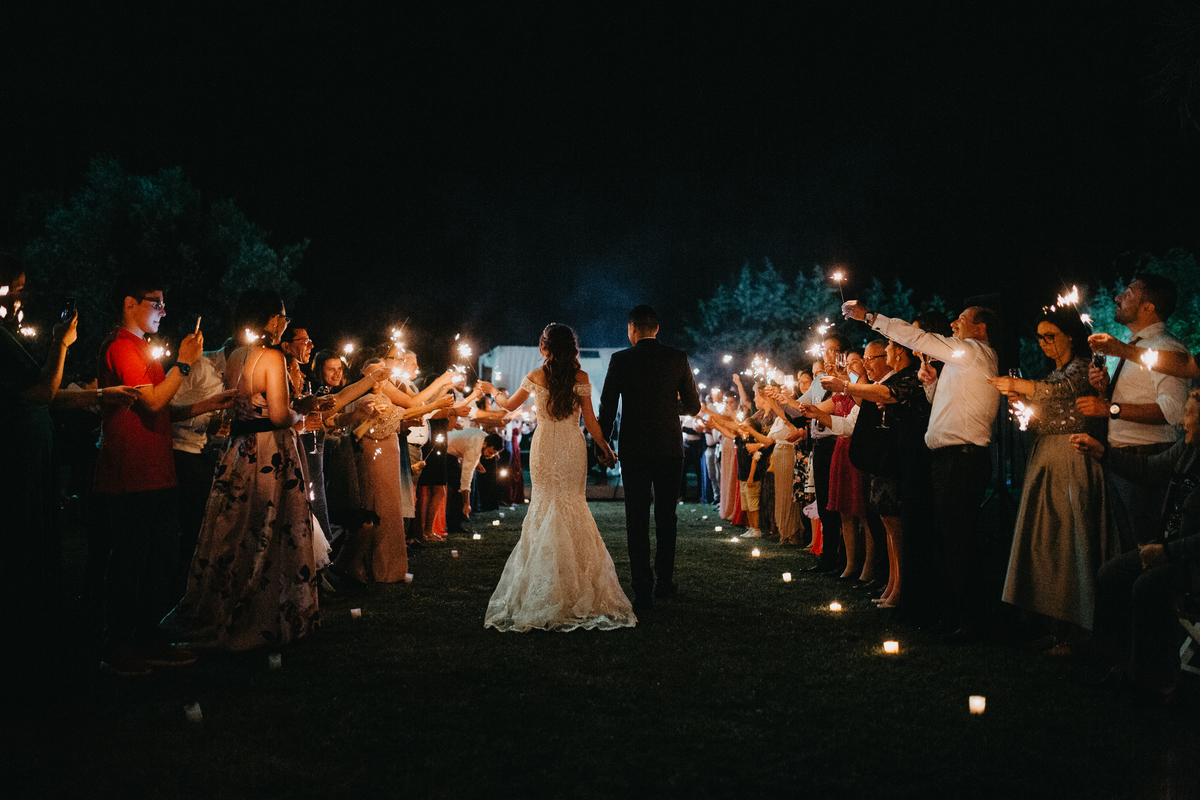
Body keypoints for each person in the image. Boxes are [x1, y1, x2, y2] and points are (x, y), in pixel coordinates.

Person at [162, 289, 328, 651]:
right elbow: (281, 415)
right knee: (270, 526)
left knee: (235, 528)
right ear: (270, 319)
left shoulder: (236, 355)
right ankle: (264, 615)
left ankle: (223, 602)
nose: (284, 322)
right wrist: (304, 415)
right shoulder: (270, 357)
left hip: (239, 451)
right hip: (270, 452)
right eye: (282, 316)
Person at [93, 272, 231, 674]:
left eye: (164, 303)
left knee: (161, 558)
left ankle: (149, 636)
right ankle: (118, 644)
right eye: (156, 302)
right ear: (129, 304)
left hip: (158, 471)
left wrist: (208, 405)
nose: (164, 310)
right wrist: (184, 365)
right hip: (129, 473)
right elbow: (152, 403)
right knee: (130, 560)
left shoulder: (143, 348)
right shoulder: (120, 347)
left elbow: (163, 407)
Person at [843, 300, 1000, 642]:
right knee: (945, 541)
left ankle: (974, 623)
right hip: (947, 459)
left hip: (963, 459)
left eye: (961, 320)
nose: (954, 325)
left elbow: (919, 339)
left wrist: (871, 317)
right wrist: (930, 386)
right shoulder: (961, 363)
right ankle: (953, 615)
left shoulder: (973, 352)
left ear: (981, 329)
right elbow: (945, 409)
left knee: (959, 542)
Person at [482, 324, 634, 632]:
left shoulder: (536, 377)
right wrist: (605, 448)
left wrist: (492, 391)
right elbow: (590, 422)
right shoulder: (581, 378)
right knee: (571, 505)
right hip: (571, 446)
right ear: (572, 349)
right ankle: (574, 586)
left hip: (544, 446)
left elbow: (507, 406)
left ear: (544, 348)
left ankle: (546, 585)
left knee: (545, 504)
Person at [990, 307, 1116, 654]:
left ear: (1069, 337)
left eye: (1050, 336)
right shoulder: (1055, 371)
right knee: (1045, 540)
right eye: (1039, 337)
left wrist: (1021, 386)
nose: (1043, 343)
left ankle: (1078, 630)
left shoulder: (1081, 368)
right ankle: (1054, 623)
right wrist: (1025, 405)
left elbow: (1062, 390)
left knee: (1070, 540)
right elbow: (1047, 404)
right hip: (1046, 456)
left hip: (1072, 457)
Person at [1070, 389, 1200, 707]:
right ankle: (1117, 665)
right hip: (1170, 550)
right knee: (1111, 573)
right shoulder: (1187, 450)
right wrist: (1102, 452)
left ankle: (1157, 679)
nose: (1182, 422)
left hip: (1190, 560)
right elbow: (1148, 470)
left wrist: (1166, 552)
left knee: (1148, 585)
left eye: (1189, 413)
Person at [598, 305, 701, 610]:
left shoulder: (621, 359)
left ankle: (641, 587)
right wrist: (671, 408)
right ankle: (664, 583)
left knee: (636, 517)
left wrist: (602, 444)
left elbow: (607, 406)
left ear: (633, 329)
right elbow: (693, 406)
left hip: (634, 448)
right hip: (669, 447)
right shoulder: (677, 358)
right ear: (657, 328)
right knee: (667, 517)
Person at [1080, 274, 1190, 551]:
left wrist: (1110, 408)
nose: (1118, 298)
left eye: (1128, 293)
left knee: (1145, 548)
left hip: (1150, 458)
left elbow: (1173, 411)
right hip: (1122, 458)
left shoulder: (1165, 347)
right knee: (1128, 547)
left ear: (1148, 307)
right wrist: (1103, 387)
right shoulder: (1133, 347)